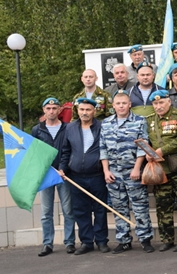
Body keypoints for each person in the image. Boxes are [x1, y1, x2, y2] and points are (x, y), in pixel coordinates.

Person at [100, 90, 154, 254]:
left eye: (124, 103)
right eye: (118, 103)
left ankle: (145, 239)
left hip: (133, 172)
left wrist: (137, 168)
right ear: (113, 106)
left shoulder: (139, 121)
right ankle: (123, 240)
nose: (121, 106)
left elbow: (143, 146)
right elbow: (102, 148)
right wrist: (106, 171)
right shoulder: (106, 123)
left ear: (130, 104)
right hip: (114, 173)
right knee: (119, 209)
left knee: (140, 207)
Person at [59, 98, 109, 255]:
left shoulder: (102, 126)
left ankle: (101, 241)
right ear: (77, 110)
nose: (84, 113)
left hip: (97, 175)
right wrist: (62, 168)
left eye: (88, 110)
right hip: (76, 176)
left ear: (94, 111)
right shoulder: (70, 128)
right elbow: (65, 151)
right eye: (82, 109)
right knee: (81, 210)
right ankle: (86, 242)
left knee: (100, 209)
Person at [145, 90, 177, 252]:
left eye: (161, 103)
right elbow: (147, 140)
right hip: (160, 171)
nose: (158, 106)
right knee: (162, 205)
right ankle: (167, 239)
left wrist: (163, 150)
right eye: (155, 104)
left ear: (169, 102)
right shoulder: (150, 120)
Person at [33, 97, 75, 257]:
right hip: (46, 175)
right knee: (46, 212)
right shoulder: (37, 130)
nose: (51, 111)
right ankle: (47, 244)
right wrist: (46, 169)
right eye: (48, 108)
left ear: (59, 110)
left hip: (64, 175)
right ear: (44, 110)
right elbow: (35, 154)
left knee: (68, 210)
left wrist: (63, 168)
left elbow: (68, 150)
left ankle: (70, 242)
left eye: (54, 108)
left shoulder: (68, 128)